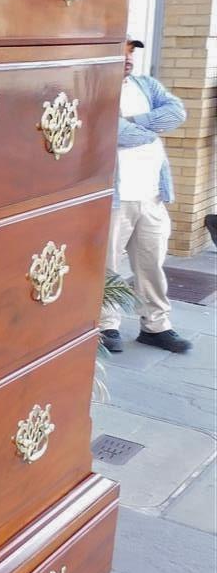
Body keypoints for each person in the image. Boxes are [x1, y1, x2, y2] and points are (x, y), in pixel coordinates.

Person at [99, 38, 191, 355]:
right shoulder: (96, 90)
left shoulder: (145, 85)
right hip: (116, 199)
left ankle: (156, 326)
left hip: (152, 196)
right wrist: (147, 127)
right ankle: (106, 325)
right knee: (107, 266)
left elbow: (177, 112)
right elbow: (112, 132)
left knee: (151, 266)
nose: (128, 58)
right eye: (122, 50)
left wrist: (135, 123)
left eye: (131, 52)